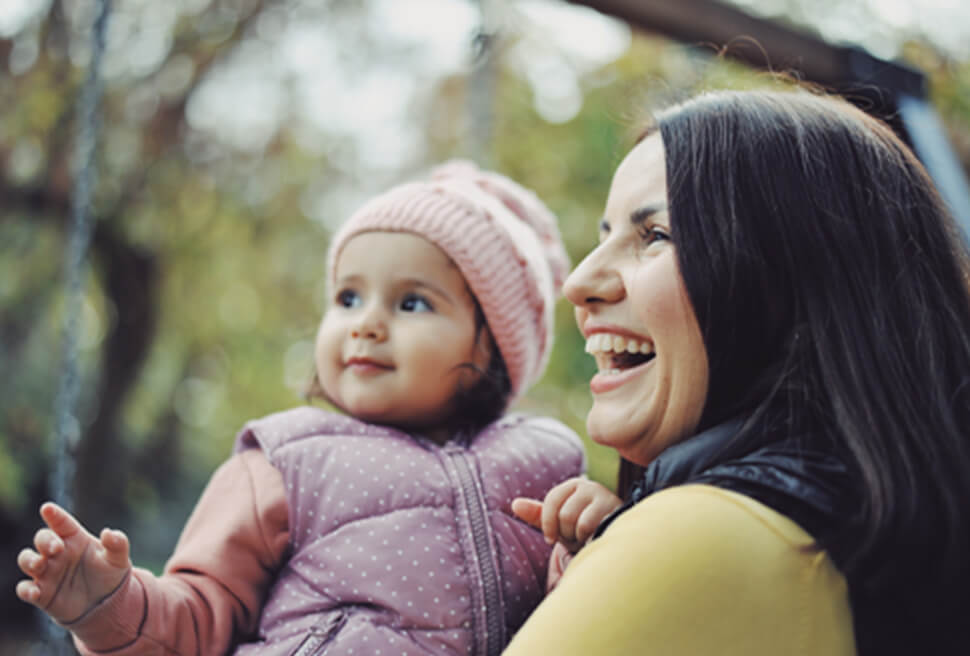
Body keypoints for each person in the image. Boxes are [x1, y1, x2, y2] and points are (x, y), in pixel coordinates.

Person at [16, 160, 587, 655]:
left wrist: (598, 524)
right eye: (348, 297)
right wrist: (111, 604)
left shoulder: (545, 461)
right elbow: (195, 618)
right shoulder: (285, 460)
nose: (365, 322)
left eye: (412, 302)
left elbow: (592, 603)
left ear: (495, 350)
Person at [505, 88, 970, 655]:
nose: (579, 282)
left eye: (655, 236)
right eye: (605, 238)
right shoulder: (877, 543)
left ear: (797, 286)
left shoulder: (699, 536)